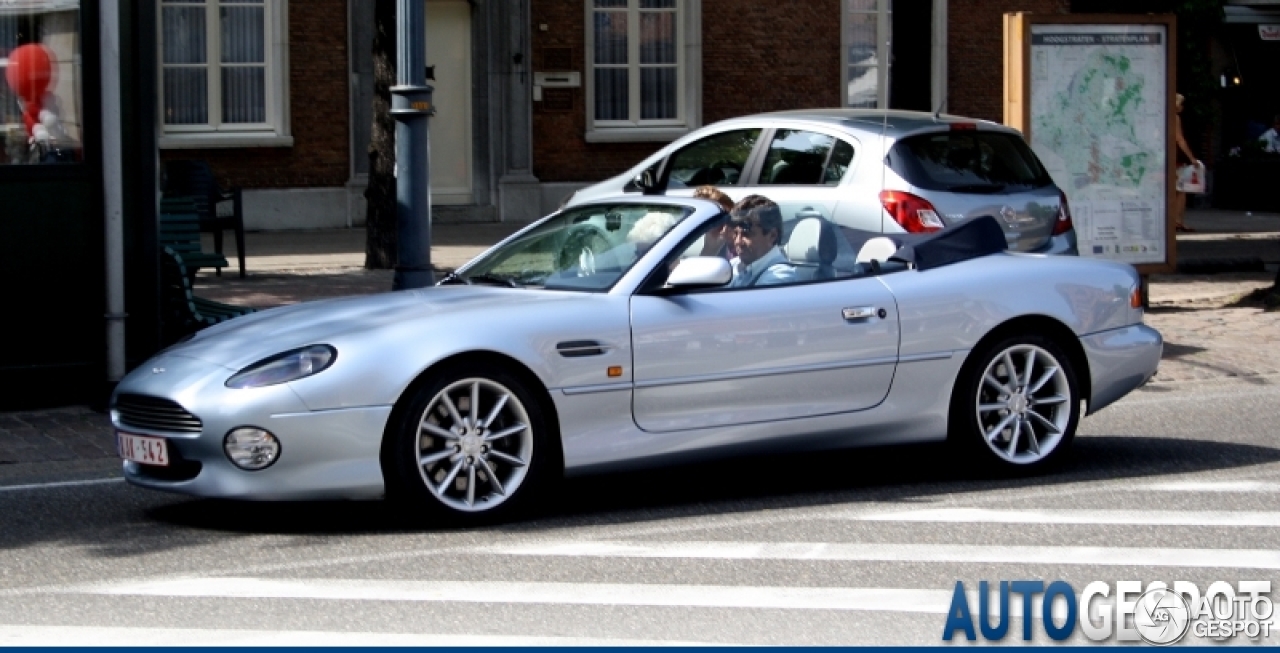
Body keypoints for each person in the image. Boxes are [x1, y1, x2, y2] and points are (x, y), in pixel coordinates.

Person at [727, 195, 794, 287]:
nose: (737, 241)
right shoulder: (734, 265)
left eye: (746, 234)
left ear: (772, 236)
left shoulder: (781, 276)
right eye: (735, 233)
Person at [1172, 93, 1201, 233]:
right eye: (1180, 104)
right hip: (1174, 158)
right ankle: (1177, 220)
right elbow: (1179, 139)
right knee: (1181, 189)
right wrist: (1192, 158)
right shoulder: (1175, 118)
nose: (1182, 107)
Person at [692, 185, 736, 259]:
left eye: (728, 216)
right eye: (718, 218)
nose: (725, 223)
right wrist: (711, 248)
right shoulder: (689, 239)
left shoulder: (739, 241)